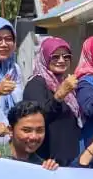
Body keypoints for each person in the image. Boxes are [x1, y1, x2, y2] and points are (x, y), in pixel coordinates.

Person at [22, 37, 81, 166]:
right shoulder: (36, 84)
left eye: (66, 57)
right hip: (46, 162)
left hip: (68, 162)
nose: (61, 60)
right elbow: (36, 117)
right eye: (55, 56)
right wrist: (59, 96)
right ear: (44, 58)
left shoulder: (64, 82)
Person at [2, 101, 59, 169]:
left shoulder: (42, 167)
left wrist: (51, 174)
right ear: (11, 130)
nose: (34, 137)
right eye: (26, 130)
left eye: (39, 130)